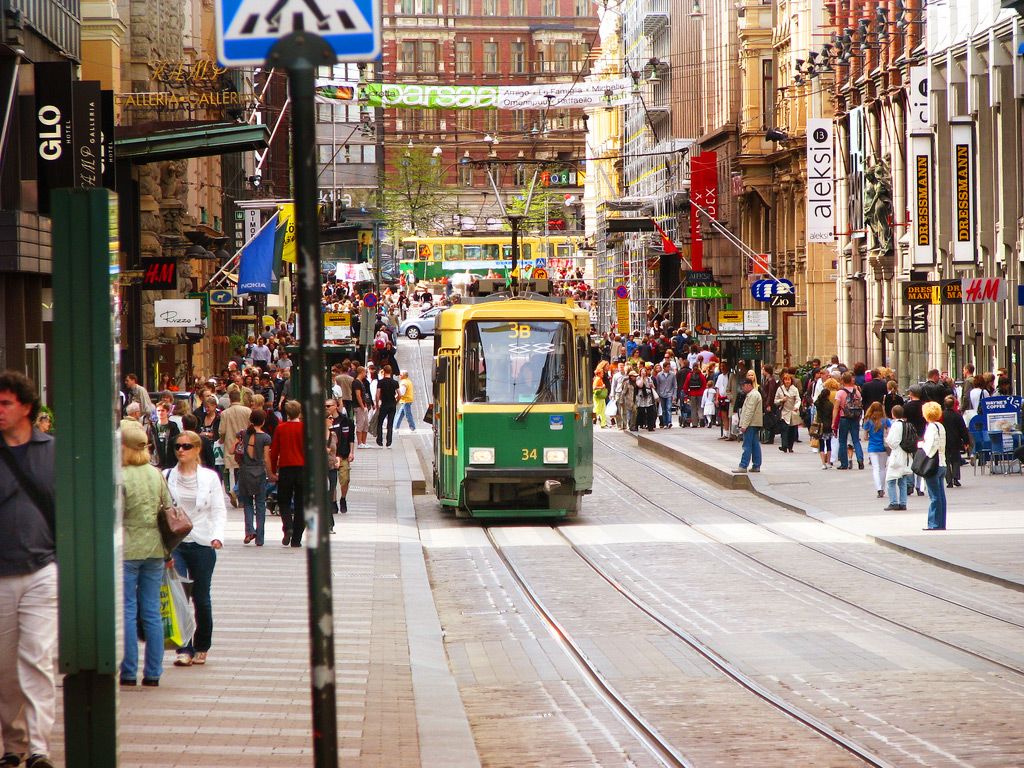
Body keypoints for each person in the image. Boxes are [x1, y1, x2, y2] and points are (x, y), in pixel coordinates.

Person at [0, 372, 57, 768]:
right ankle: (12, 745)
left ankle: (38, 746)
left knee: (36, 657)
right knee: (4, 667)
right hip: (1, 572)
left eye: (5, 403)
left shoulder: (52, 450)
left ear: (26, 407)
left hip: (41, 568)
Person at [165, 430, 226, 668]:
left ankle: (202, 645)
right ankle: (184, 648)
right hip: (176, 544)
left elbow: (218, 510)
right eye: (178, 446)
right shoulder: (167, 475)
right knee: (180, 597)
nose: (181, 450)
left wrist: (217, 536)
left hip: (203, 542)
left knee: (201, 598)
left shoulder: (210, 478)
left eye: (187, 446)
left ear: (197, 450)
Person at [119, 422, 170, 687]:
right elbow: (169, 508)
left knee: (127, 609)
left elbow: (114, 515)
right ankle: (153, 672)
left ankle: (128, 672)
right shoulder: (156, 474)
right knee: (151, 611)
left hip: (128, 549)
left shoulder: (120, 476)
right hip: (155, 548)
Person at [271, 400, 306, 547]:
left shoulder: (281, 428)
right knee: (301, 504)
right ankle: (297, 539)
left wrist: (273, 470)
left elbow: (274, 451)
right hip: (303, 469)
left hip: (286, 468)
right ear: (299, 413)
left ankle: (288, 526)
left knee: (283, 501)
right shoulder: (305, 428)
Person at [237, 410, 272, 546]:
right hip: (259, 472)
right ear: (263, 422)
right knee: (260, 504)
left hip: (245, 471)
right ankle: (260, 537)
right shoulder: (265, 438)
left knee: (247, 503)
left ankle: (249, 530)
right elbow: (267, 458)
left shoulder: (244, 434)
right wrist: (270, 473)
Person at [217, 389, 251, 508]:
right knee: (243, 470)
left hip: (231, 444)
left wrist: (222, 439)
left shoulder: (225, 413)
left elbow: (222, 431)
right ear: (239, 398)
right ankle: (240, 496)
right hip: (246, 445)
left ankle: (235, 491)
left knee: (236, 470)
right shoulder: (247, 411)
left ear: (230, 399)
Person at [920, 401, 948, 530]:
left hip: (933, 464)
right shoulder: (940, 426)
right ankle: (941, 522)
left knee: (934, 496)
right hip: (942, 462)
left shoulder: (931, 427)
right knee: (941, 495)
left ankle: (934, 523)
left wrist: (921, 445)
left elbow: (931, 445)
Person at [833, 372, 865, 470]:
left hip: (844, 418)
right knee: (856, 440)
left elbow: (836, 408)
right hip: (855, 418)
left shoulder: (840, 393)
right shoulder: (857, 392)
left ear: (843, 380)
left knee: (842, 441)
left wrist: (833, 422)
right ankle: (860, 460)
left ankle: (844, 463)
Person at [862, 402, 891, 498]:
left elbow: (865, 436)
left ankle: (878, 488)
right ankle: (882, 487)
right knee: (883, 468)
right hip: (883, 447)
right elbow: (889, 432)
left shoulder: (868, 421)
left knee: (875, 468)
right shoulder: (885, 421)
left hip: (872, 447)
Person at [941, 395, 971, 489]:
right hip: (955, 440)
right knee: (956, 460)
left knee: (946, 460)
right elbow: (963, 429)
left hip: (944, 441)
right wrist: (966, 441)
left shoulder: (941, 415)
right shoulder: (957, 415)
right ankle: (956, 478)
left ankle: (948, 480)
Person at [736, 378, 763, 473]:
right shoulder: (754, 394)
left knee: (747, 445)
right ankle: (756, 465)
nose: (742, 389)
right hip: (754, 423)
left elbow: (749, 411)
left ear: (748, 385)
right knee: (755, 444)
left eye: (743, 386)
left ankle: (743, 465)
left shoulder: (753, 395)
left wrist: (744, 425)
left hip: (751, 424)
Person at [148, 401, 181, 470]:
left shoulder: (173, 426)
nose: (160, 413)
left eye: (163, 410)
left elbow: (177, 442)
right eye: (158, 411)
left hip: (170, 461)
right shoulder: (152, 427)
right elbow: (149, 443)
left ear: (167, 412)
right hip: (156, 462)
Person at [774, 372, 801, 453]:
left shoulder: (794, 389)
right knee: (784, 430)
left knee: (792, 430)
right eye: (785, 380)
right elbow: (775, 401)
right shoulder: (780, 389)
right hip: (784, 412)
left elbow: (798, 399)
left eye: (788, 380)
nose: (787, 381)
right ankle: (784, 446)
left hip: (793, 412)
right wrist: (781, 400)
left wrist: (797, 406)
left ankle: (790, 447)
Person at [375, 365, 401, 448]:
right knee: (390, 423)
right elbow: (399, 394)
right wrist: (396, 402)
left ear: (384, 371)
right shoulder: (395, 382)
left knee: (380, 422)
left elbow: (377, 394)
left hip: (384, 404)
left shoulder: (381, 382)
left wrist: (377, 404)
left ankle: (380, 440)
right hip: (392, 404)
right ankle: (389, 442)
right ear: (391, 371)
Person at [813, 386, 834, 469]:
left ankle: (823, 463)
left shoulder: (818, 403)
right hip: (828, 425)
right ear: (828, 395)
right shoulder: (830, 405)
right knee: (828, 444)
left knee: (821, 445)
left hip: (820, 426)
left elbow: (815, 403)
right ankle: (828, 462)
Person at [654, 362, 676, 428]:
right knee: (663, 409)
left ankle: (669, 422)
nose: (668, 368)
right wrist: (657, 395)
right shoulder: (659, 375)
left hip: (669, 393)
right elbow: (658, 385)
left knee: (668, 408)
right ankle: (665, 423)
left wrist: (674, 395)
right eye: (667, 367)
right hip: (661, 394)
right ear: (664, 367)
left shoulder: (672, 375)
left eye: (669, 367)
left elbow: (675, 385)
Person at [354, 366, 371, 447]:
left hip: (364, 406)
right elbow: (358, 395)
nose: (365, 374)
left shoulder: (361, 382)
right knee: (360, 424)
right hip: (359, 406)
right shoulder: (356, 382)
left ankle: (364, 442)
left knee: (366, 424)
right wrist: (362, 406)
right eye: (365, 372)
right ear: (361, 372)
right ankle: (359, 443)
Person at [592, 363, 609, 429]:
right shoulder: (597, 379)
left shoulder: (599, 379)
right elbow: (594, 388)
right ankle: (592, 419)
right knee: (598, 409)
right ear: (598, 374)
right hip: (598, 396)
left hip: (601, 397)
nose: (603, 374)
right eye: (602, 373)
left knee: (603, 410)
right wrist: (602, 387)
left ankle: (603, 424)